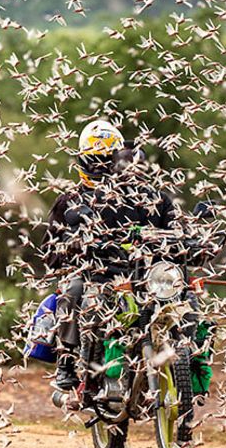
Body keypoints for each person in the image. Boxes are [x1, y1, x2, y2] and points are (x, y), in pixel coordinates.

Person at [42, 120, 177, 392]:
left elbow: (176, 230)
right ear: (82, 159)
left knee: (187, 298)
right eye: (94, 160)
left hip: (144, 276)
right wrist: (71, 245)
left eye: (107, 160)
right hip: (95, 275)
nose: (100, 167)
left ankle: (186, 369)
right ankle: (66, 364)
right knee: (73, 287)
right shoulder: (70, 200)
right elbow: (49, 252)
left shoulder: (148, 196)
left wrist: (197, 237)